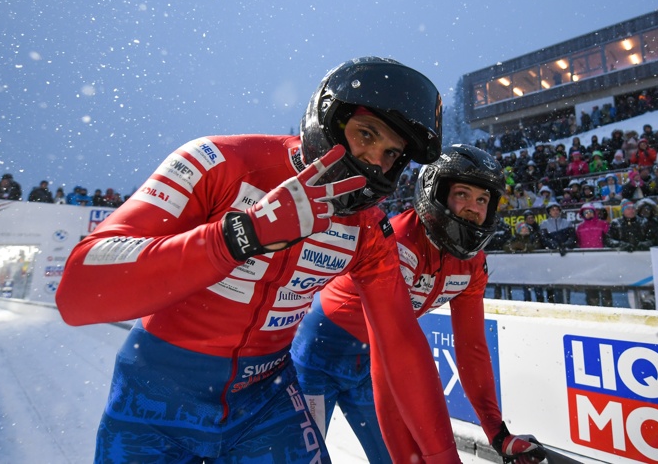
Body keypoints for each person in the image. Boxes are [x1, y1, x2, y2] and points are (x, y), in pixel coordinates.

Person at [55, 57, 463, 463]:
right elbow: (78, 293)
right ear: (328, 120)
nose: (375, 160)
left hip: (267, 399)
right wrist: (241, 236)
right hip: (154, 396)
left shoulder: (368, 228)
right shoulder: (216, 161)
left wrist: (444, 457)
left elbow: (400, 342)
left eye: (391, 153)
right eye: (366, 134)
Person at [291, 144, 546, 464]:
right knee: (303, 458)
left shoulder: (473, 265)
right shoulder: (398, 241)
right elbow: (394, 348)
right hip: (319, 356)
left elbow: (472, 349)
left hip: (373, 361)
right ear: (434, 192)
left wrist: (497, 432)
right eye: (463, 194)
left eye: (482, 200)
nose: (473, 208)